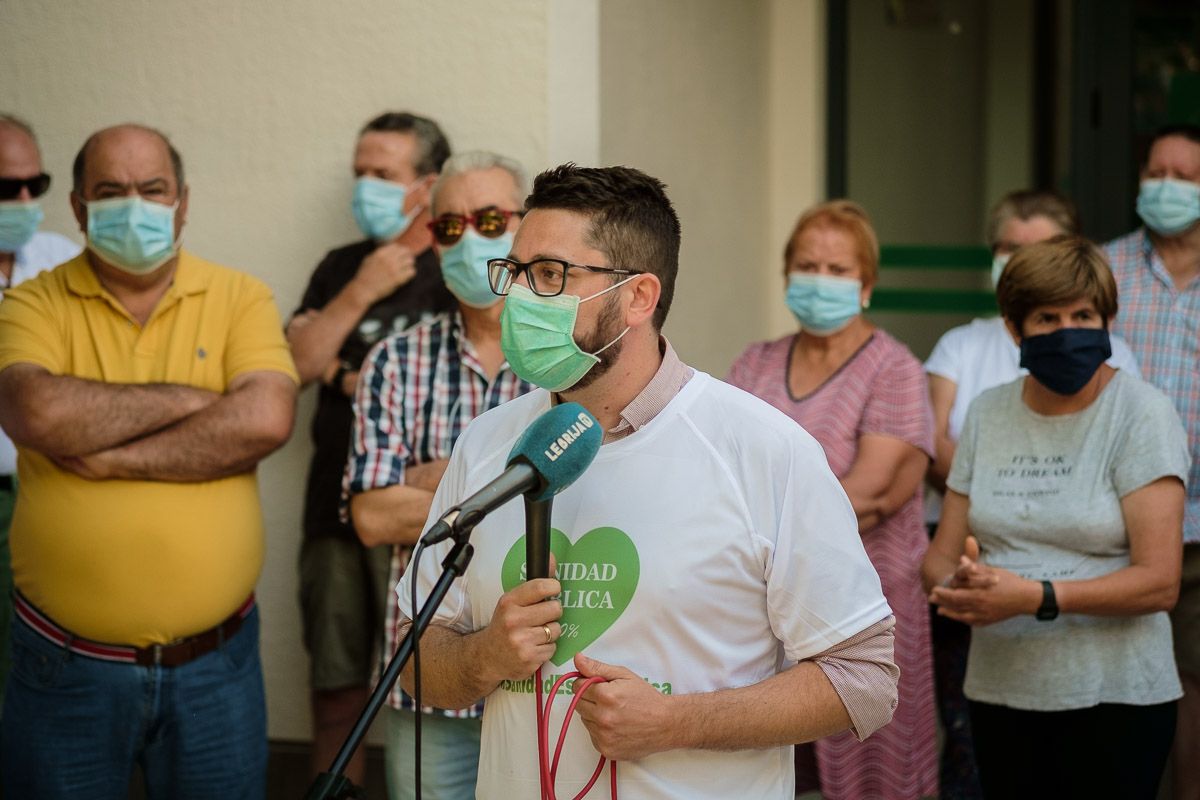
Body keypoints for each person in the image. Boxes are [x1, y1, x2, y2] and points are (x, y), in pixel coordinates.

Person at [396, 165, 900, 799]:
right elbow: (415, 661)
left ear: (637, 297)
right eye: (516, 273)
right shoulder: (487, 443)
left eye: (550, 275)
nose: (519, 298)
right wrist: (484, 658)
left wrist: (676, 723)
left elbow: (865, 680)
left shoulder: (764, 450)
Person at [0, 124, 298, 798]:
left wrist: (108, 458)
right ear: (76, 207)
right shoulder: (32, 302)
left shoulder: (239, 298)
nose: (133, 205)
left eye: (151, 189)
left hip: (215, 671)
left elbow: (266, 417)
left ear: (182, 201)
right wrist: (197, 398)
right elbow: (38, 413)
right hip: (64, 673)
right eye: (110, 191)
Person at [923, 236, 1187, 799]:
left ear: (1107, 321)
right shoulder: (989, 412)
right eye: (1047, 317)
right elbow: (941, 556)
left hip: (1116, 696)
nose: (1068, 330)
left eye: (1083, 314)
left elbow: (1160, 581)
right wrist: (960, 588)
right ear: (1014, 329)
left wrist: (1036, 597)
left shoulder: (1143, 413)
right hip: (1000, 690)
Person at [727, 199, 938, 800]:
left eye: (839, 269)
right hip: (763, 607)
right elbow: (722, 472)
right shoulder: (755, 363)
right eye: (807, 264)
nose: (820, 280)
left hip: (864, 608)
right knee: (773, 763)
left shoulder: (894, 369)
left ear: (866, 285)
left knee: (872, 770)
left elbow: (872, 492)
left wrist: (761, 526)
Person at [345, 151, 534, 799]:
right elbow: (370, 518)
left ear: (526, 225)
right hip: (431, 680)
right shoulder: (394, 361)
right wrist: (515, 482)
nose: (469, 239)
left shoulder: (572, 356)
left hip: (546, 678)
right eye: (448, 226)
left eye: (489, 219)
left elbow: (590, 501)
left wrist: (436, 480)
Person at [287, 110, 456, 783]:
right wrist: (362, 291)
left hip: (425, 517)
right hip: (334, 513)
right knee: (336, 691)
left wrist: (348, 371)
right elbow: (297, 364)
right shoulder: (340, 268)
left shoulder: (458, 266)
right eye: (360, 173)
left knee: (435, 686)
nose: (366, 187)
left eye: (383, 174)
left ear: (427, 186)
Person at [1103, 123, 1200, 800]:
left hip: (1199, 526)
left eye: (1186, 177)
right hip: (1109, 523)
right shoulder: (1101, 269)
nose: (1167, 187)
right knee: (1116, 687)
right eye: (1156, 172)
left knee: (1193, 688)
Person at [0, 114, 81, 709]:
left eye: (37, 183)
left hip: (49, 486)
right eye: (7, 188)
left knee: (46, 667)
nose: (24, 200)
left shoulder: (61, 259)